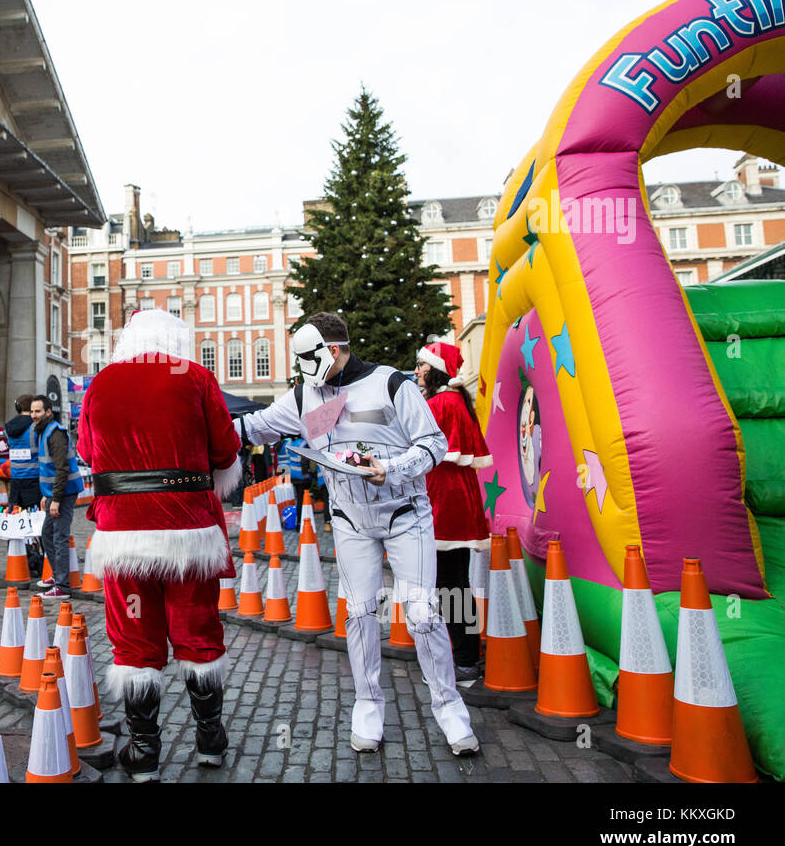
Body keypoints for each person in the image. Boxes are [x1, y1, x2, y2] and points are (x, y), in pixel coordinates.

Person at [234, 312, 480, 757]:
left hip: (406, 513)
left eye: (309, 358)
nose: (305, 372)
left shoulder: (392, 384)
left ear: (331, 350)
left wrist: (393, 469)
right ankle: (368, 704)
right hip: (350, 521)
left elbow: (433, 444)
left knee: (422, 613)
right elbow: (257, 426)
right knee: (360, 614)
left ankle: (450, 708)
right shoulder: (304, 394)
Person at [78, 310, 242, 780]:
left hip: (124, 532)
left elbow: (88, 452)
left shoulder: (102, 382)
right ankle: (210, 737)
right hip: (188, 532)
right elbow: (226, 450)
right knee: (198, 630)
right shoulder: (194, 377)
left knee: (134, 637)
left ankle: (144, 749)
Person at [415, 342, 492, 681]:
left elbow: (421, 457)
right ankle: (465, 652)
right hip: (454, 504)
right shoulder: (454, 400)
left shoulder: (441, 403)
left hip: (445, 506)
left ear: (436, 369)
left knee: (450, 585)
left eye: (422, 365)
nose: (417, 371)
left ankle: (464, 658)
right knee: (455, 582)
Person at [32, 395, 82, 601]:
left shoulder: (55, 433)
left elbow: (62, 469)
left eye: (38, 411)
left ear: (48, 412)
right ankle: (57, 576)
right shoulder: (44, 432)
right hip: (54, 493)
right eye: (33, 411)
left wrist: (56, 499)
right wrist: (47, 496)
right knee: (47, 534)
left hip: (65, 492)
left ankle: (62, 586)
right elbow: (49, 468)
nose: (34, 415)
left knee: (59, 537)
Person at [4, 394, 45, 577]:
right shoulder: (35, 427)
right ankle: (44, 564)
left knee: (16, 524)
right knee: (40, 525)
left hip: (16, 483)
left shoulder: (9, 428)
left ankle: (20, 562)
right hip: (34, 480)